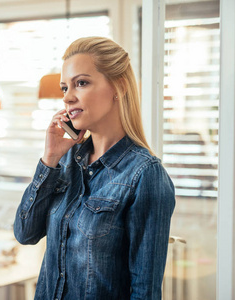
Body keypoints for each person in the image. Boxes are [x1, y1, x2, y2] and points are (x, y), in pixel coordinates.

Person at [14, 37, 175, 300]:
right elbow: (25, 233)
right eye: (65, 87)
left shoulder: (145, 175)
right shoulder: (65, 161)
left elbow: (145, 291)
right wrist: (50, 159)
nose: (67, 97)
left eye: (81, 83)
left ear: (119, 86)